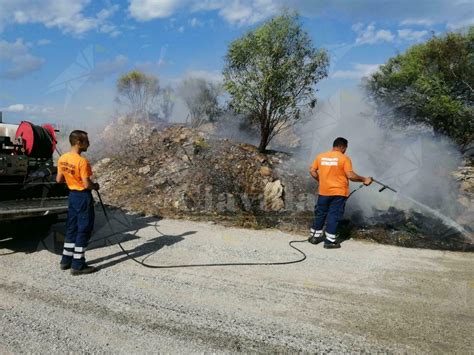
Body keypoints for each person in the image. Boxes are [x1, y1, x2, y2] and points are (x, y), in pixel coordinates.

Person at [309, 137, 372, 249]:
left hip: (324, 191)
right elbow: (351, 176)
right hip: (338, 193)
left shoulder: (321, 156)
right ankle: (329, 241)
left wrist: (321, 180)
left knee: (320, 213)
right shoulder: (344, 158)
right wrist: (364, 179)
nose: (345, 150)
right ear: (342, 147)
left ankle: (314, 237)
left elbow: (312, 171)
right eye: (345, 148)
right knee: (334, 215)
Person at [56, 130, 99, 275]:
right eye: (86, 141)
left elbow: (58, 180)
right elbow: (87, 184)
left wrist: (70, 179)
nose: (88, 143)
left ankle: (65, 261)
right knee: (84, 229)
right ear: (78, 143)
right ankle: (78, 265)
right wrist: (95, 186)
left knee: (71, 228)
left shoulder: (62, 158)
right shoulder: (82, 161)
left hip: (72, 196)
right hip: (82, 197)